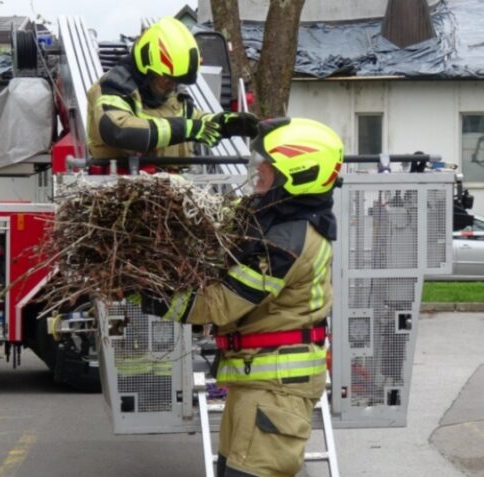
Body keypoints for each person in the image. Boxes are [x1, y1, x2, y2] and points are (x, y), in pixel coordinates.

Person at [142, 117, 344, 477]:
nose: (257, 173)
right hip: (257, 384)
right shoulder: (279, 221)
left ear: (298, 173)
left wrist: (146, 295)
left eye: (266, 168)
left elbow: (219, 304)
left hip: (274, 391)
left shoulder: (286, 242)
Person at [86, 17, 259, 161]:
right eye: (168, 79)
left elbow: (193, 119)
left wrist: (223, 123)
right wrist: (185, 129)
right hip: (121, 187)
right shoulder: (113, 87)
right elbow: (118, 130)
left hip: (174, 187)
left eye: (177, 81)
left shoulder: (168, 94)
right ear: (147, 68)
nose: (172, 86)